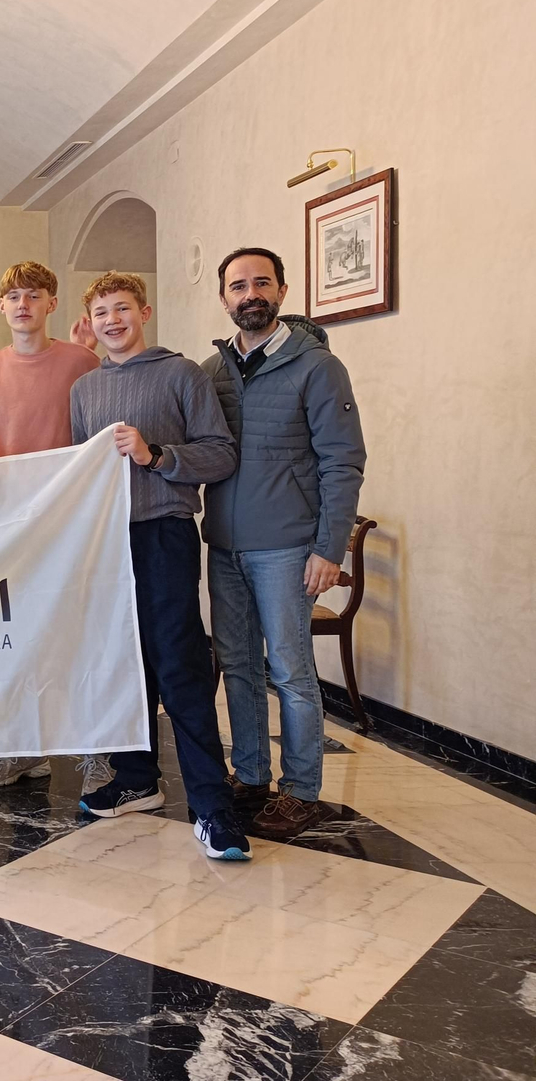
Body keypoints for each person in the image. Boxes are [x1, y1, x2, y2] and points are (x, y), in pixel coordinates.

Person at [69, 272, 250, 862]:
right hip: (105, 543)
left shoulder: (182, 374)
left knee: (179, 665)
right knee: (122, 663)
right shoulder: (84, 389)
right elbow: (80, 470)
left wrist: (157, 455)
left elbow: (220, 454)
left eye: (122, 308)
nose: (112, 320)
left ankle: (211, 808)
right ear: (89, 322)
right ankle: (137, 779)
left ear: (144, 311)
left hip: (164, 534)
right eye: (101, 312)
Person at [203, 248, 365, 837]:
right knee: (239, 667)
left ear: (282, 291)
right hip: (223, 545)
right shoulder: (211, 371)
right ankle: (249, 773)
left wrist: (331, 547)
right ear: (224, 299)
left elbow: (344, 462)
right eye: (239, 286)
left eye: (262, 283)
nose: (251, 294)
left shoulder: (318, 367)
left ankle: (301, 790)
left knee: (290, 671)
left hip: (289, 547)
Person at [0, 262, 102, 791]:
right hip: (8, 525)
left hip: (69, 522)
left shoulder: (82, 361)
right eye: (13, 296)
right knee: (13, 636)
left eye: (33, 296)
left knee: (76, 634)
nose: (23, 305)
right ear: (2, 306)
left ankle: (93, 752)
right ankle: (23, 748)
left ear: (51, 303)